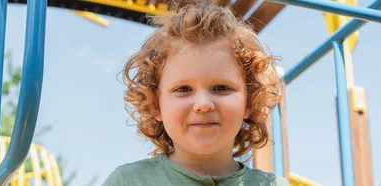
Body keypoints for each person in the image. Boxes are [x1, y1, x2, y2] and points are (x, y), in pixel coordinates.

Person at [102, 1, 288, 185]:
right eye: (183, 89)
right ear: (155, 105)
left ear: (249, 102)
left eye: (221, 88)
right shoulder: (127, 181)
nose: (203, 104)